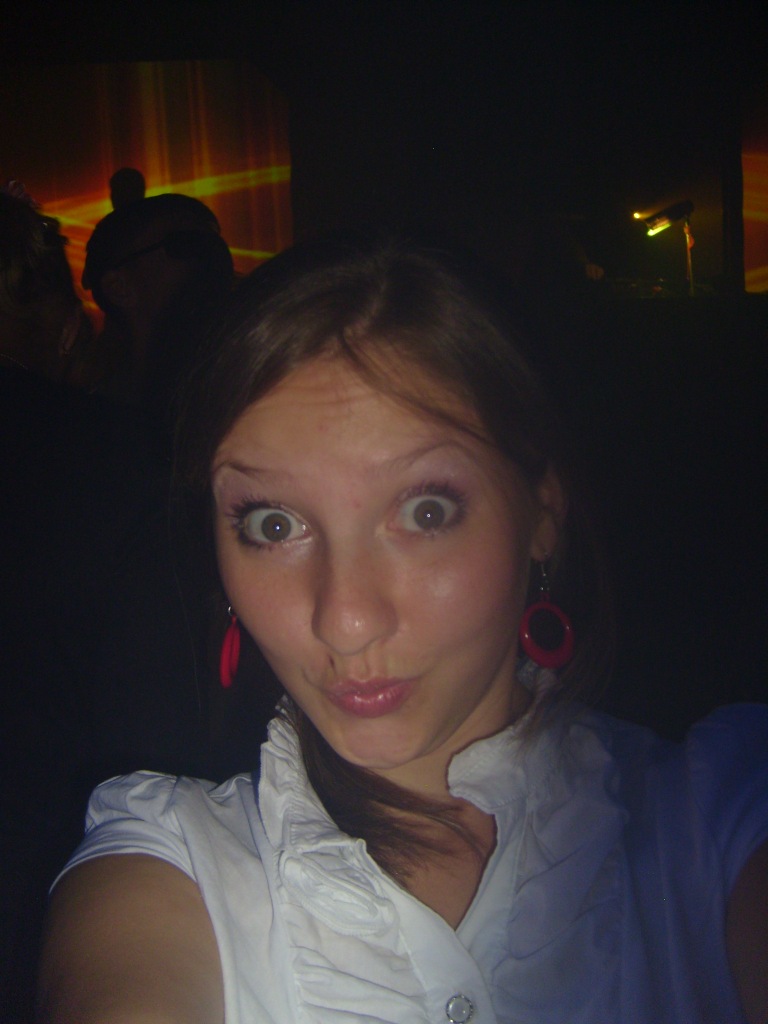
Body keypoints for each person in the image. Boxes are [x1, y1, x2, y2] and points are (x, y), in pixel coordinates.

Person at [36, 235, 768, 1024]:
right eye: (273, 525)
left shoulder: (717, 822)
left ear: (541, 513)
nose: (346, 619)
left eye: (425, 512)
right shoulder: (164, 872)